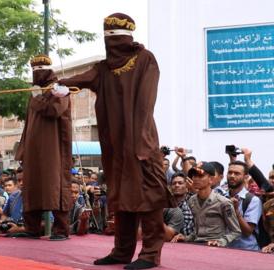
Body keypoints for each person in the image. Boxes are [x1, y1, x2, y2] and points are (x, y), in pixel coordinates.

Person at [57, 13, 174, 269]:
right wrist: (58, 84)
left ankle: (150, 255)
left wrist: (142, 141)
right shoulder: (103, 68)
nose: (113, 45)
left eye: (117, 38)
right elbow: (82, 79)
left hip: (141, 144)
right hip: (115, 147)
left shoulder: (145, 59)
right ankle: (122, 252)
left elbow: (146, 101)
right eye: (109, 39)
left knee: (148, 199)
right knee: (122, 200)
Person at [14, 54, 72, 241]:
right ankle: (32, 228)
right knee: (32, 185)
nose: (36, 73)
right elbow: (29, 123)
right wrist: (23, 149)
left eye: (40, 69)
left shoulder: (60, 89)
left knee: (54, 184)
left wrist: (38, 98)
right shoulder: (35, 90)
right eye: (34, 70)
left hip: (53, 148)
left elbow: (54, 111)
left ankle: (61, 230)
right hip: (33, 148)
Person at [171, 162, 241, 247]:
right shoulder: (191, 201)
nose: (196, 179)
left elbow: (236, 231)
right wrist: (186, 238)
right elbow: (197, 231)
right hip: (196, 245)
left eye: (200, 176)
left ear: (211, 179)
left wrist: (221, 241)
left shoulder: (223, 202)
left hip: (215, 248)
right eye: (194, 176)